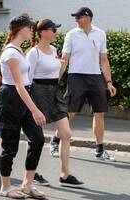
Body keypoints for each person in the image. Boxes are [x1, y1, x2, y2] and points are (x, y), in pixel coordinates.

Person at [50, 7, 117, 161]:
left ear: (88, 17)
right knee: (71, 112)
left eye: (79, 17)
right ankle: (55, 140)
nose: (76, 20)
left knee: (99, 113)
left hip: (95, 78)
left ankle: (100, 150)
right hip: (76, 77)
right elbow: (64, 58)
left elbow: (104, 60)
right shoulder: (71, 35)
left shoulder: (100, 34)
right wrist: (55, 80)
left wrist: (109, 82)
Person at [27, 19, 84, 187]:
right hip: (37, 94)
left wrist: (63, 65)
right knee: (35, 137)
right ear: (43, 32)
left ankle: (64, 175)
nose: (56, 33)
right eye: (53, 29)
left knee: (66, 134)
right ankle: (32, 172)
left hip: (54, 93)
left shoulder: (53, 50)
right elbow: (27, 80)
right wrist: (31, 105)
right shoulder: (33, 53)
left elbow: (56, 75)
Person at [0, 13, 46, 200]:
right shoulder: (10, 53)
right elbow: (18, 84)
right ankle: (5, 187)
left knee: (37, 139)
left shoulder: (19, 50)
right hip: (11, 99)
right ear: (19, 29)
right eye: (29, 27)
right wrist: (35, 109)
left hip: (23, 96)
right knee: (10, 145)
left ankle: (27, 184)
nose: (32, 30)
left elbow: (25, 83)